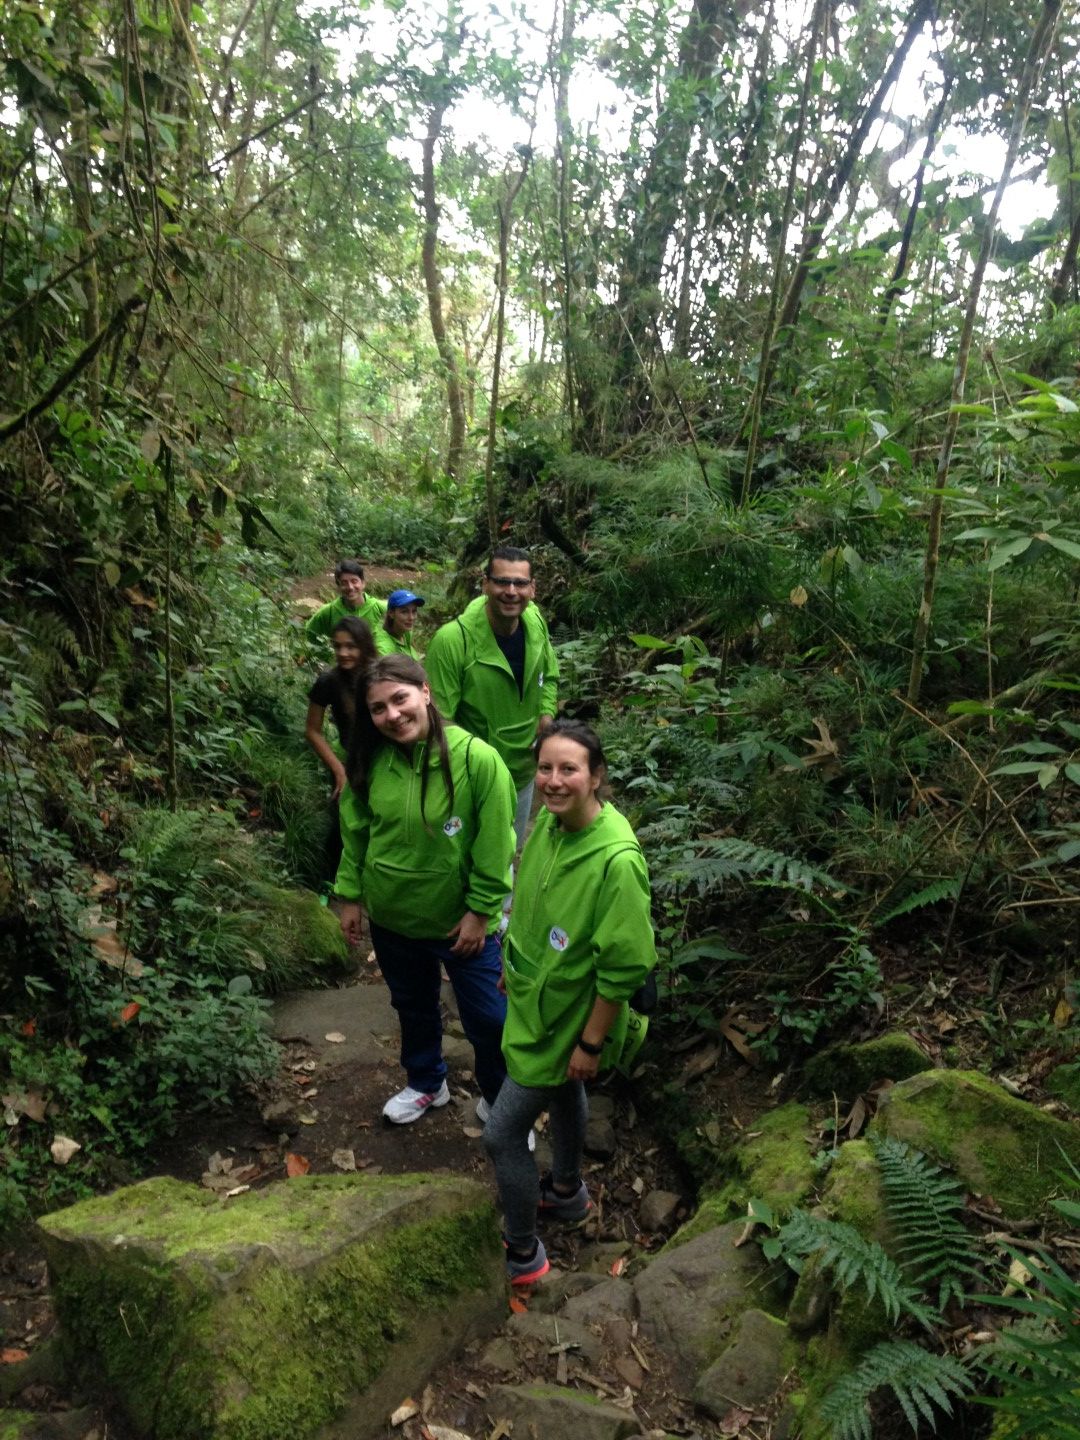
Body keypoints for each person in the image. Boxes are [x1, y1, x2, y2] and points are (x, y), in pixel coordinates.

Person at [482, 719, 657, 1285]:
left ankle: (524, 1253)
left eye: (569, 769)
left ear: (596, 776)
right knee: (563, 1093)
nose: (553, 780)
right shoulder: (551, 827)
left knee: (502, 1134)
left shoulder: (616, 861)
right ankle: (566, 1190)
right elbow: (532, 906)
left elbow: (624, 966)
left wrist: (590, 1043)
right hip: (538, 999)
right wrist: (511, 966)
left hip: (569, 1020)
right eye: (545, 768)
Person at [335, 655, 517, 1124]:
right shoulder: (370, 762)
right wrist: (350, 895)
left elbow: (497, 843)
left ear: (426, 692)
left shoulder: (477, 760)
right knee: (413, 1008)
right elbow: (356, 832)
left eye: (400, 699)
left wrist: (481, 911)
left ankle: (500, 1100)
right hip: (393, 918)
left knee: (491, 1018)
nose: (392, 715)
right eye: (378, 708)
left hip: (461, 924)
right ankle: (426, 1082)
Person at [426, 546, 558, 851]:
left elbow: (549, 674)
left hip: (523, 771)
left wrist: (546, 714)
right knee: (463, 853)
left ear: (533, 589)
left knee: (509, 850)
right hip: (474, 780)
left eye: (520, 583)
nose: (511, 591)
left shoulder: (534, 622)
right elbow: (438, 720)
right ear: (485, 584)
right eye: (501, 582)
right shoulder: (452, 641)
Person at [304, 616, 377, 798]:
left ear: (364, 646)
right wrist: (338, 769)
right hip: (350, 764)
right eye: (338, 647)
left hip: (385, 762)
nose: (343, 653)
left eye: (351, 647)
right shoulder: (329, 681)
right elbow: (312, 730)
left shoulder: (381, 675)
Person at [305, 559, 387, 648]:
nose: (350, 587)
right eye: (344, 583)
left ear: (363, 583)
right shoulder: (328, 612)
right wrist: (325, 652)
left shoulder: (381, 608)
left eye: (354, 581)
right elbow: (310, 633)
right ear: (338, 587)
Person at [375, 589, 425, 659]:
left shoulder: (405, 633)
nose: (411, 617)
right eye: (404, 612)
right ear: (391, 613)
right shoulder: (384, 649)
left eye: (414, 611)